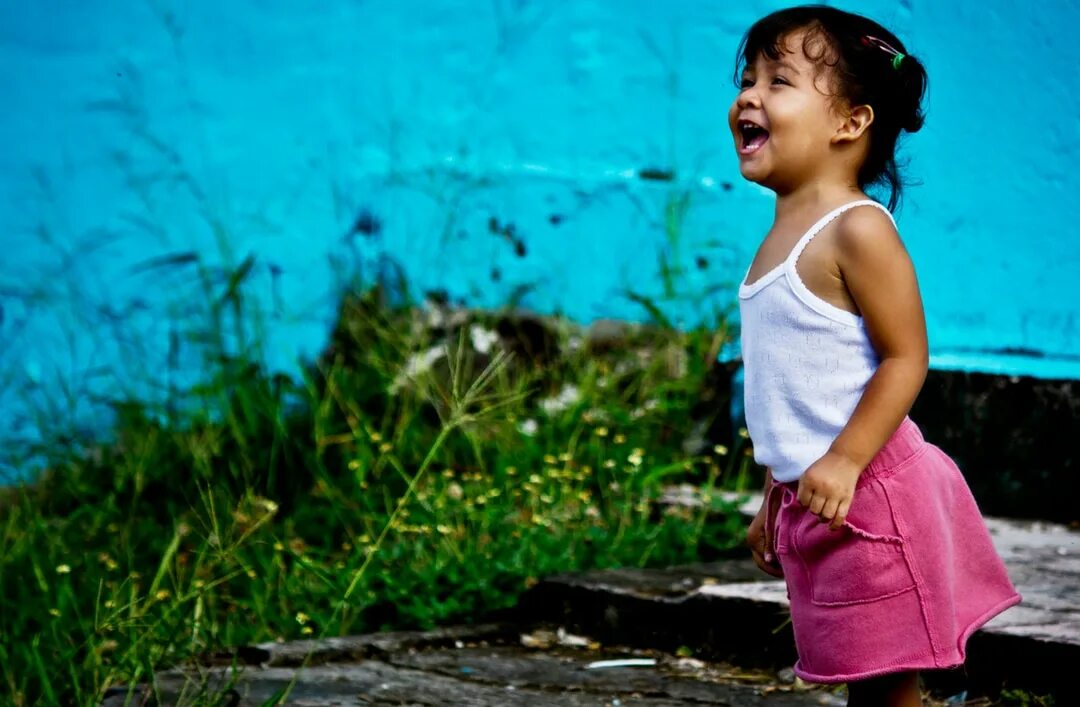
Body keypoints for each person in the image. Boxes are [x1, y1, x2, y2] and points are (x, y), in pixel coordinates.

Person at [731, 6, 1022, 706]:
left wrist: (843, 458)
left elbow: (905, 357)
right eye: (747, 80)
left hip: (875, 495)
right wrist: (779, 488)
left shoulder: (856, 229)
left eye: (780, 81)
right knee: (865, 672)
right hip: (824, 497)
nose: (749, 96)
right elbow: (799, 386)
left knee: (886, 681)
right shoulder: (782, 233)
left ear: (850, 123)